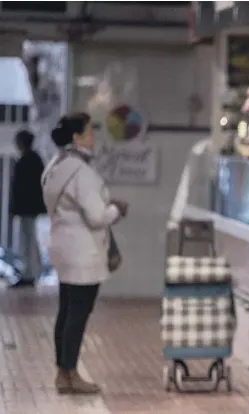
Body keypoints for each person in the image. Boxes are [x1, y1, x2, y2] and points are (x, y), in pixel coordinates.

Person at [41, 113, 129, 394]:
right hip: (83, 253)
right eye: (90, 132)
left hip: (62, 247)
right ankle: (72, 373)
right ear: (77, 138)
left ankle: (62, 373)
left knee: (66, 311)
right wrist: (117, 209)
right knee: (78, 314)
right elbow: (97, 216)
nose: (93, 138)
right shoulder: (82, 172)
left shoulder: (54, 167)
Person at [9, 130, 47, 286]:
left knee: (28, 240)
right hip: (31, 208)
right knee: (30, 239)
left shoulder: (26, 161)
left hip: (27, 208)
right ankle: (32, 271)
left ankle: (29, 273)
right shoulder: (35, 160)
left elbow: (21, 188)